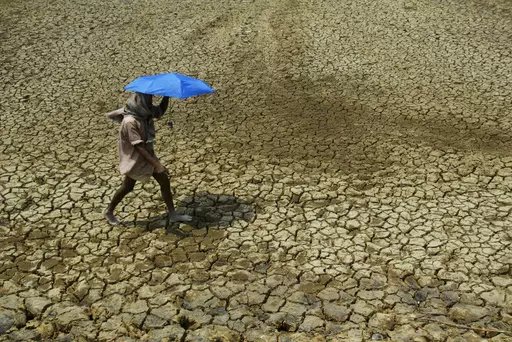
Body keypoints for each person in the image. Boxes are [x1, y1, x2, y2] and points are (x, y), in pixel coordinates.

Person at [104, 92, 192, 225]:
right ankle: (109, 211)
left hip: (147, 154)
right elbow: (138, 147)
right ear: (141, 101)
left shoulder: (144, 113)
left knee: (164, 181)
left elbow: (160, 111)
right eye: (149, 99)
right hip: (135, 159)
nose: (151, 101)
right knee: (127, 187)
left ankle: (173, 214)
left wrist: (166, 97)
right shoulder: (130, 121)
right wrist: (156, 164)